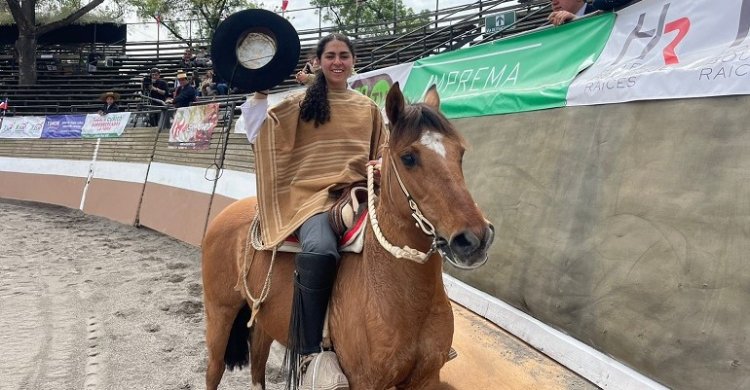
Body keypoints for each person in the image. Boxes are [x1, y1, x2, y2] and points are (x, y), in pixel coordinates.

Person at [240, 33, 385, 390]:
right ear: (319, 62)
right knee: (320, 250)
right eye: (331, 56)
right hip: (314, 199)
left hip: (363, 192)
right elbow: (258, 130)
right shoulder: (299, 104)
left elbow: (384, 149)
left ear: (353, 62)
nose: (338, 62)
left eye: (344, 56)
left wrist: (380, 163)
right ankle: (308, 353)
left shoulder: (368, 108)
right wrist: (259, 91)